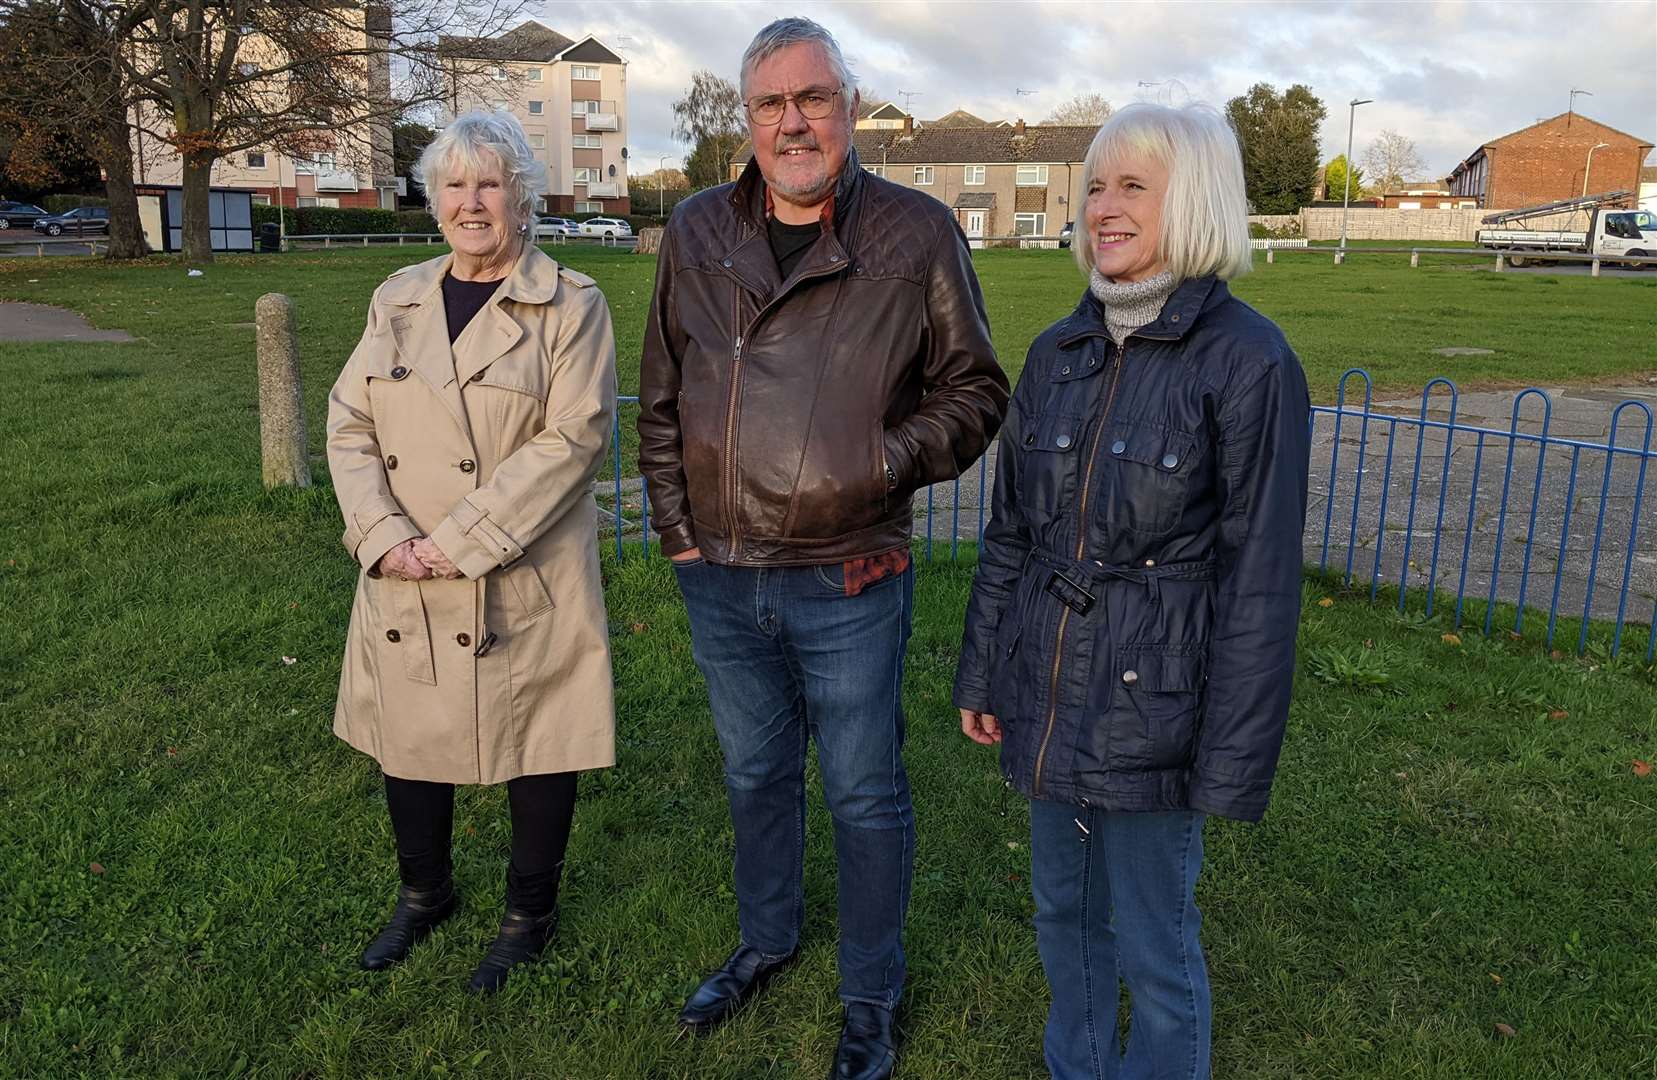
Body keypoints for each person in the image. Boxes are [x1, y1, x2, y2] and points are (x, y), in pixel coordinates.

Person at [637, 16, 1008, 1079]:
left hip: (849, 574)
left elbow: (978, 393)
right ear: (745, 118)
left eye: (813, 99)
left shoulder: (916, 233)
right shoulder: (698, 231)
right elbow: (659, 396)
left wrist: (880, 463)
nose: (792, 121)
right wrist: (678, 536)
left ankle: (870, 992)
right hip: (720, 573)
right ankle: (765, 940)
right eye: (770, 104)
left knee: (862, 789)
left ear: (848, 108)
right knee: (754, 775)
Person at [953, 103, 1311, 1080]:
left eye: (1133, 187)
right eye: (1096, 187)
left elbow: (1258, 583)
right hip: (1047, 700)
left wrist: (1227, 762)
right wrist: (985, 671)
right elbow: (1012, 534)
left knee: (1154, 940)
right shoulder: (1056, 356)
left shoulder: (1248, 362)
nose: (1103, 208)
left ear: (1191, 201)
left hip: (1159, 718)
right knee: (1062, 918)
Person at [326, 109, 617, 994]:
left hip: (522, 570)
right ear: (434, 199)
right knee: (407, 738)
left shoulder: (571, 304)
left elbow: (575, 436)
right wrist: (386, 541)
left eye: (489, 183)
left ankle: (528, 914)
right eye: (454, 185)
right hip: (405, 569)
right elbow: (349, 425)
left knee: (542, 743)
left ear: (522, 198)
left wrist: (458, 544)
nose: (471, 202)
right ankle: (425, 896)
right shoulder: (397, 297)